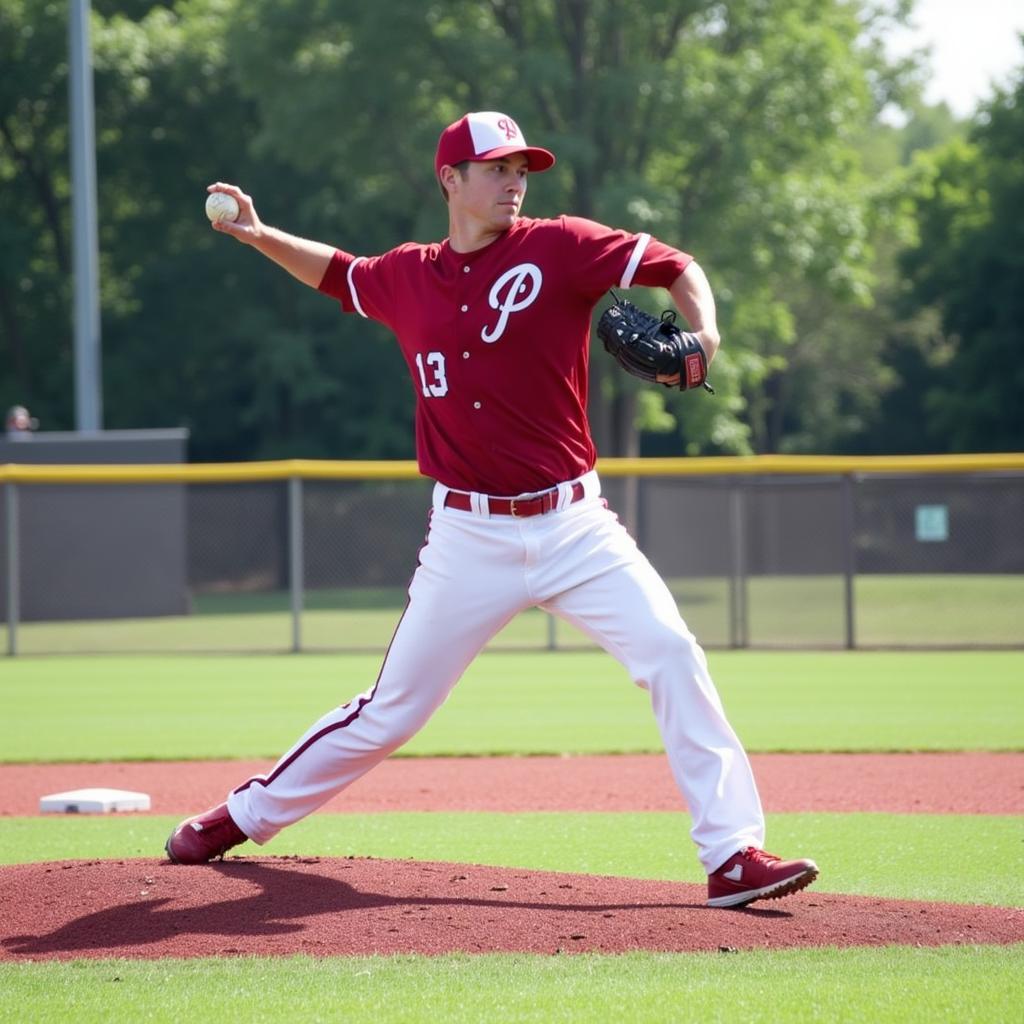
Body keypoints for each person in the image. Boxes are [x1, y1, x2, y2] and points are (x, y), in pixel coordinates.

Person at [166, 111, 818, 909]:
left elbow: (678, 267)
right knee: (391, 714)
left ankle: (731, 854)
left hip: (576, 526)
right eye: (497, 168)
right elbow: (339, 273)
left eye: (522, 169)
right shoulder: (408, 275)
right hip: (467, 535)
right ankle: (239, 816)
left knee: (672, 654)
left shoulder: (561, 246)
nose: (515, 182)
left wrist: (706, 336)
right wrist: (261, 234)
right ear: (451, 179)